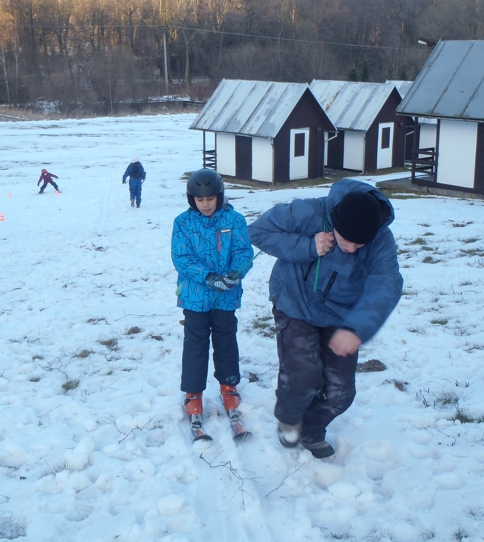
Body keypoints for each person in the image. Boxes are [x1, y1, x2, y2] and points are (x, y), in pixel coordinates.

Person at [248, 179, 403, 458]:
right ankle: (289, 418)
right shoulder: (308, 213)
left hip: (340, 316)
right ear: (334, 223)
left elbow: (386, 283)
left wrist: (356, 329)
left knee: (341, 394)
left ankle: (311, 429)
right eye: (347, 240)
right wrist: (307, 245)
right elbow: (257, 231)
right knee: (303, 375)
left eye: (360, 243)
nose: (353, 248)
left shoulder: (380, 237)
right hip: (295, 302)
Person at [171, 168, 254, 441]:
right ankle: (193, 392)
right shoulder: (183, 223)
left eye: (210, 199)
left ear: (219, 196)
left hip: (226, 296)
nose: (205, 204)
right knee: (195, 344)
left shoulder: (234, 219)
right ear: (191, 199)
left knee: (226, 340)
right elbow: (181, 259)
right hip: (196, 296)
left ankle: (228, 385)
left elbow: (244, 252)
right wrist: (208, 277)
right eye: (199, 199)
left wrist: (235, 273)